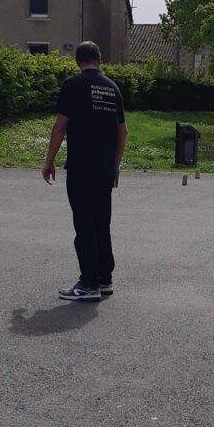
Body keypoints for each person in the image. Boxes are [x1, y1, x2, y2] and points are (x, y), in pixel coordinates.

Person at [42, 41, 128, 302]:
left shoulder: (72, 85)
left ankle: (89, 283)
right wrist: (115, 164)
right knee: (102, 223)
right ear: (99, 59)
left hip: (81, 166)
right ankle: (104, 279)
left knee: (84, 224)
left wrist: (49, 161)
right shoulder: (113, 88)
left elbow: (60, 127)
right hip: (104, 168)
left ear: (77, 61)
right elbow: (122, 131)